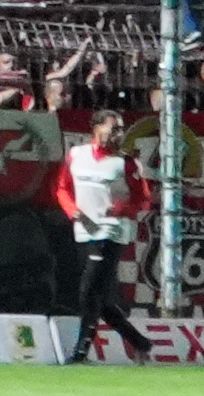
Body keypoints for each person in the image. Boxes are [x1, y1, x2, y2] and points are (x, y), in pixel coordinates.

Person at [53, 110, 155, 362]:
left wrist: (121, 209)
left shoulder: (125, 163)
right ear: (97, 129)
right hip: (83, 230)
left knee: (88, 291)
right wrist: (73, 211)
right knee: (97, 297)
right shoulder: (77, 155)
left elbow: (143, 199)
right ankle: (141, 343)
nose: (119, 135)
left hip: (111, 231)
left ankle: (80, 352)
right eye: (114, 129)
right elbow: (61, 188)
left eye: (121, 130)